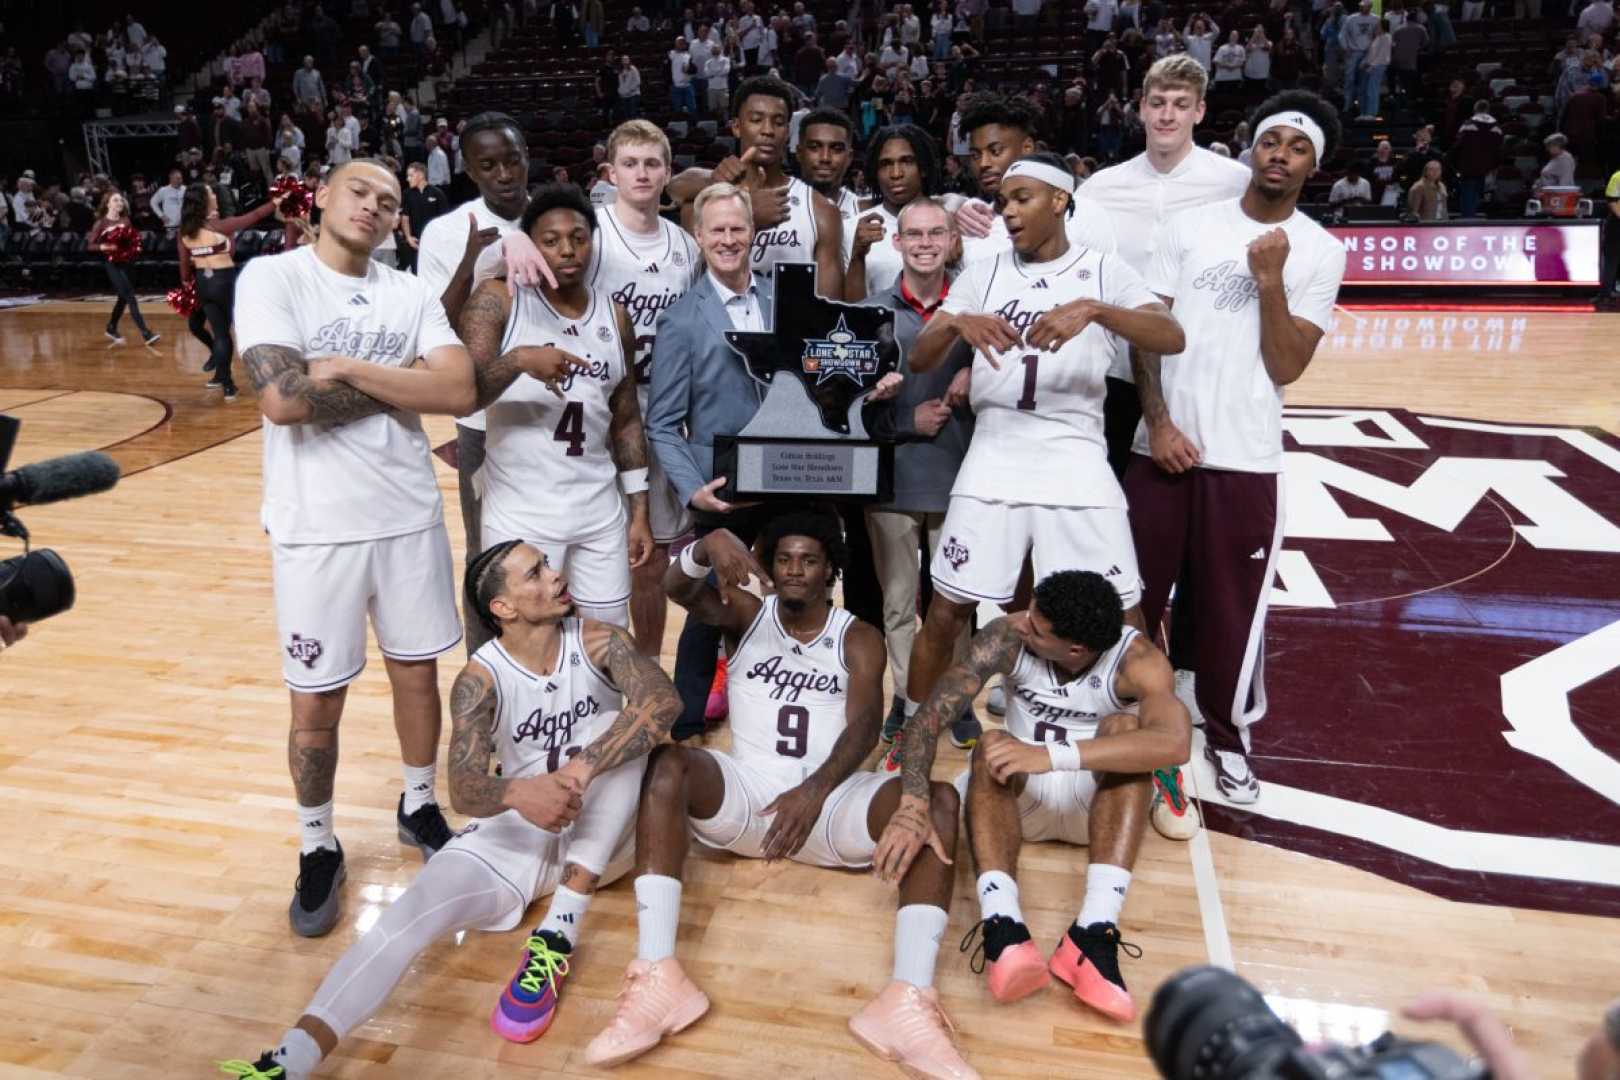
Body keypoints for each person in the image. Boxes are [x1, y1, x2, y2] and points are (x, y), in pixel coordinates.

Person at [218, 542, 682, 1079]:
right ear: (504, 608)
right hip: (518, 832)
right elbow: (462, 789)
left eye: (550, 567)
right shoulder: (479, 679)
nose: (556, 577)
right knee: (404, 919)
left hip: (604, 830)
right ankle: (291, 1059)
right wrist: (516, 793)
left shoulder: (601, 641)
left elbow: (664, 701)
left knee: (622, 733)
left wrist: (581, 770)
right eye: (537, 573)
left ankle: (559, 932)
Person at [583, 510, 978, 1079]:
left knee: (937, 801)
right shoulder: (745, 615)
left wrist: (813, 792)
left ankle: (907, 1001)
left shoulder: (858, 636)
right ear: (770, 567)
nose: (795, 571)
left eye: (809, 561)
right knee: (668, 764)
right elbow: (676, 587)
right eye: (785, 559)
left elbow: (866, 724)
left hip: (831, 800)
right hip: (750, 798)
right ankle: (657, 976)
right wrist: (709, 543)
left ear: (829, 571)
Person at [233, 158, 478, 938]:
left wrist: (341, 367)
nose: (373, 207)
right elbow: (282, 400)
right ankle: (316, 844)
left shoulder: (407, 290)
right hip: (315, 527)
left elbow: (458, 391)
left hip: (405, 515)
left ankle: (418, 804)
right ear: (323, 199)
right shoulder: (272, 278)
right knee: (316, 703)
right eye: (359, 192)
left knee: (418, 676)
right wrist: (398, 377)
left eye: (389, 201)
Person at [894, 153, 1184, 788]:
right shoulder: (983, 270)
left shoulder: (1105, 270)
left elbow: (1170, 334)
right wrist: (955, 322)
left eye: (1022, 198)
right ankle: (912, 730)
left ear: (1060, 201)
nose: (1009, 211)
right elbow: (919, 356)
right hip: (995, 454)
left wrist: (1097, 311)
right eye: (1003, 202)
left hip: (1075, 457)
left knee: (1123, 613)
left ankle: (1149, 749)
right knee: (945, 608)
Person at [1124, 91, 1347, 804]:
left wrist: (1271, 282)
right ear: (1253, 147)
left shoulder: (1321, 249)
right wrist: (1156, 421)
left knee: (1231, 611)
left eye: (1298, 146)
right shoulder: (1192, 227)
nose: (1280, 154)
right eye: (1271, 139)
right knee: (1133, 597)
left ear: (1315, 165)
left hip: (1245, 457)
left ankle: (1225, 734)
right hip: (1159, 448)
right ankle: (1125, 722)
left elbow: (1286, 365)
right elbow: (1146, 333)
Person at [881, 570, 1190, 1019]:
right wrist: (912, 802)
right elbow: (929, 717)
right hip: (1018, 805)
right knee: (990, 746)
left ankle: (1094, 930)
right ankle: (1003, 926)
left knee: (1127, 731)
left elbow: (1173, 744)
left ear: (1076, 649)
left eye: (1038, 628)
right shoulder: (1007, 637)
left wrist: (1050, 755)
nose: (1023, 622)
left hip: (1096, 807)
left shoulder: (1136, 658)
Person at [457, 183, 654, 645]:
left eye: (579, 237)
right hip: (522, 509)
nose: (568, 249)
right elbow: (464, 395)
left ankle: (604, 722)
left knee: (607, 642)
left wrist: (639, 509)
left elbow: (625, 416)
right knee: (528, 644)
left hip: (599, 507)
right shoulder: (500, 298)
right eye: (551, 239)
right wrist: (519, 360)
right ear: (531, 244)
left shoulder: (615, 313)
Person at [416, 112, 552, 655]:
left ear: (527, 156)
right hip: (485, 422)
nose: (503, 174)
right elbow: (433, 331)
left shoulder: (555, 217)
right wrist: (476, 258)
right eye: (488, 165)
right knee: (491, 559)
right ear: (470, 170)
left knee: (559, 554)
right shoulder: (447, 231)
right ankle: (488, 677)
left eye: (512, 159)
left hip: (557, 413)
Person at [865, 197, 981, 749]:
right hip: (893, 478)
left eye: (938, 233)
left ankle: (954, 702)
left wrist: (975, 376)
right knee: (898, 605)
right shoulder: (871, 313)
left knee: (956, 603)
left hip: (965, 476)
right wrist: (902, 418)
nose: (927, 243)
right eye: (915, 234)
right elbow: (845, 408)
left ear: (953, 240)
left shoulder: (978, 303)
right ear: (898, 243)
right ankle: (908, 700)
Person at [582, 121, 702, 657]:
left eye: (653, 163)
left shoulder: (684, 244)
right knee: (595, 546)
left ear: (668, 173)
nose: (642, 173)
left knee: (649, 554)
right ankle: (586, 666)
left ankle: (648, 671)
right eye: (630, 163)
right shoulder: (592, 234)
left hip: (662, 410)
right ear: (611, 173)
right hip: (600, 408)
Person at [667, 76, 845, 297]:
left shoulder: (821, 211)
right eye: (756, 119)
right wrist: (747, 214)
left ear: (788, 131)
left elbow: (827, 312)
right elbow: (698, 289)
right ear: (736, 127)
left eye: (778, 122)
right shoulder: (702, 200)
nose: (767, 130)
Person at [950, 93, 1120, 272]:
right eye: (975, 155)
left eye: (995, 151)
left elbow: (1111, 287)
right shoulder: (969, 227)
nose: (983, 163)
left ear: (1027, 148)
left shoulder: (1081, 214)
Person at [178, 182, 279, 400]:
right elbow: (254, 215)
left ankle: (224, 381)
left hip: (203, 284)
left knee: (220, 333)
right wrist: (276, 202)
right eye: (210, 193)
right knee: (231, 334)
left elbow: (184, 269)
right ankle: (230, 384)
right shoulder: (218, 226)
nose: (214, 195)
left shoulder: (185, 231)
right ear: (204, 201)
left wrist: (188, 285)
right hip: (225, 281)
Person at [844, 123, 941, 300]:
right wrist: (857, 256)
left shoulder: (955, 220)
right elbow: (849, 312)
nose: (896, 173)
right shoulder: (852, 229)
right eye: (885, 164)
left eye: (907, 161)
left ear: (924, 168)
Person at [88, 190, 160, 348]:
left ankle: (111, 327)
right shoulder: (101, 223)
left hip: (127, 263)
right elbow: (90, 245)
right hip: (112, 264)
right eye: (115, 200)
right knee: (130, 297)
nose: (119, 203)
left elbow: (130, 241)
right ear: (107, 203)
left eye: (121, 200)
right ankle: (146, 333)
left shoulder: (126, 220)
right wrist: (104, 245)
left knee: (123, 298)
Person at [398, 160, 448, 272]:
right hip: (415, 243)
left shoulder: (437, 193)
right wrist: (408, 237)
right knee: (416, 272)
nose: (407, 179)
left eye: (411, 175)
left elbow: (445, 220)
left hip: (434, 243)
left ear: (420, 175)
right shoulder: (407, 194)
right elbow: (405, 218)